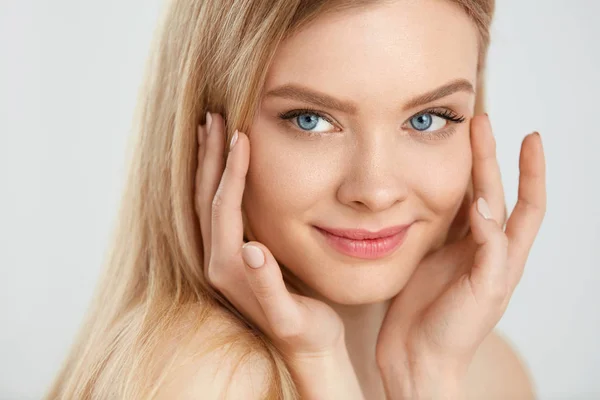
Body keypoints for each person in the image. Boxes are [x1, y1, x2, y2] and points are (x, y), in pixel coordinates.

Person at [46, 0, 547, 398]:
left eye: (429, 119)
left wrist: (425, 378)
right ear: (213, 125)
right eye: (310, 119)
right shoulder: (202, 380)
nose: (374, 191)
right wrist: (318, 365)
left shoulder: (488, 374)